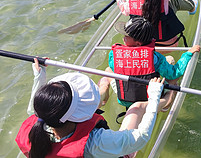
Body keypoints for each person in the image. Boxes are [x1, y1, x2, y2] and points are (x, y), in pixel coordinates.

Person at [15, 58, 165, 158]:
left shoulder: (35, 126)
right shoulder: (95, 142)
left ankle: (104, 87)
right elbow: (142, 137)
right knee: (136, 107)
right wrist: (153, 96)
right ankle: (168, 99)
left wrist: (39, 75)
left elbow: (33, 111)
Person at [99, 17, 200, 111]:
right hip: (150, 98)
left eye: (126, 36)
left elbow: (114, 67)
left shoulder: (114, 54)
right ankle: (166, 104)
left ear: (138, 42)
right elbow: (174, 73)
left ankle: (104, 94)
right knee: (170, 63)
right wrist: (187, 54)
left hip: (124, 99)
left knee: (108, 69)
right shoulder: (156, 58)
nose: (123, 38)